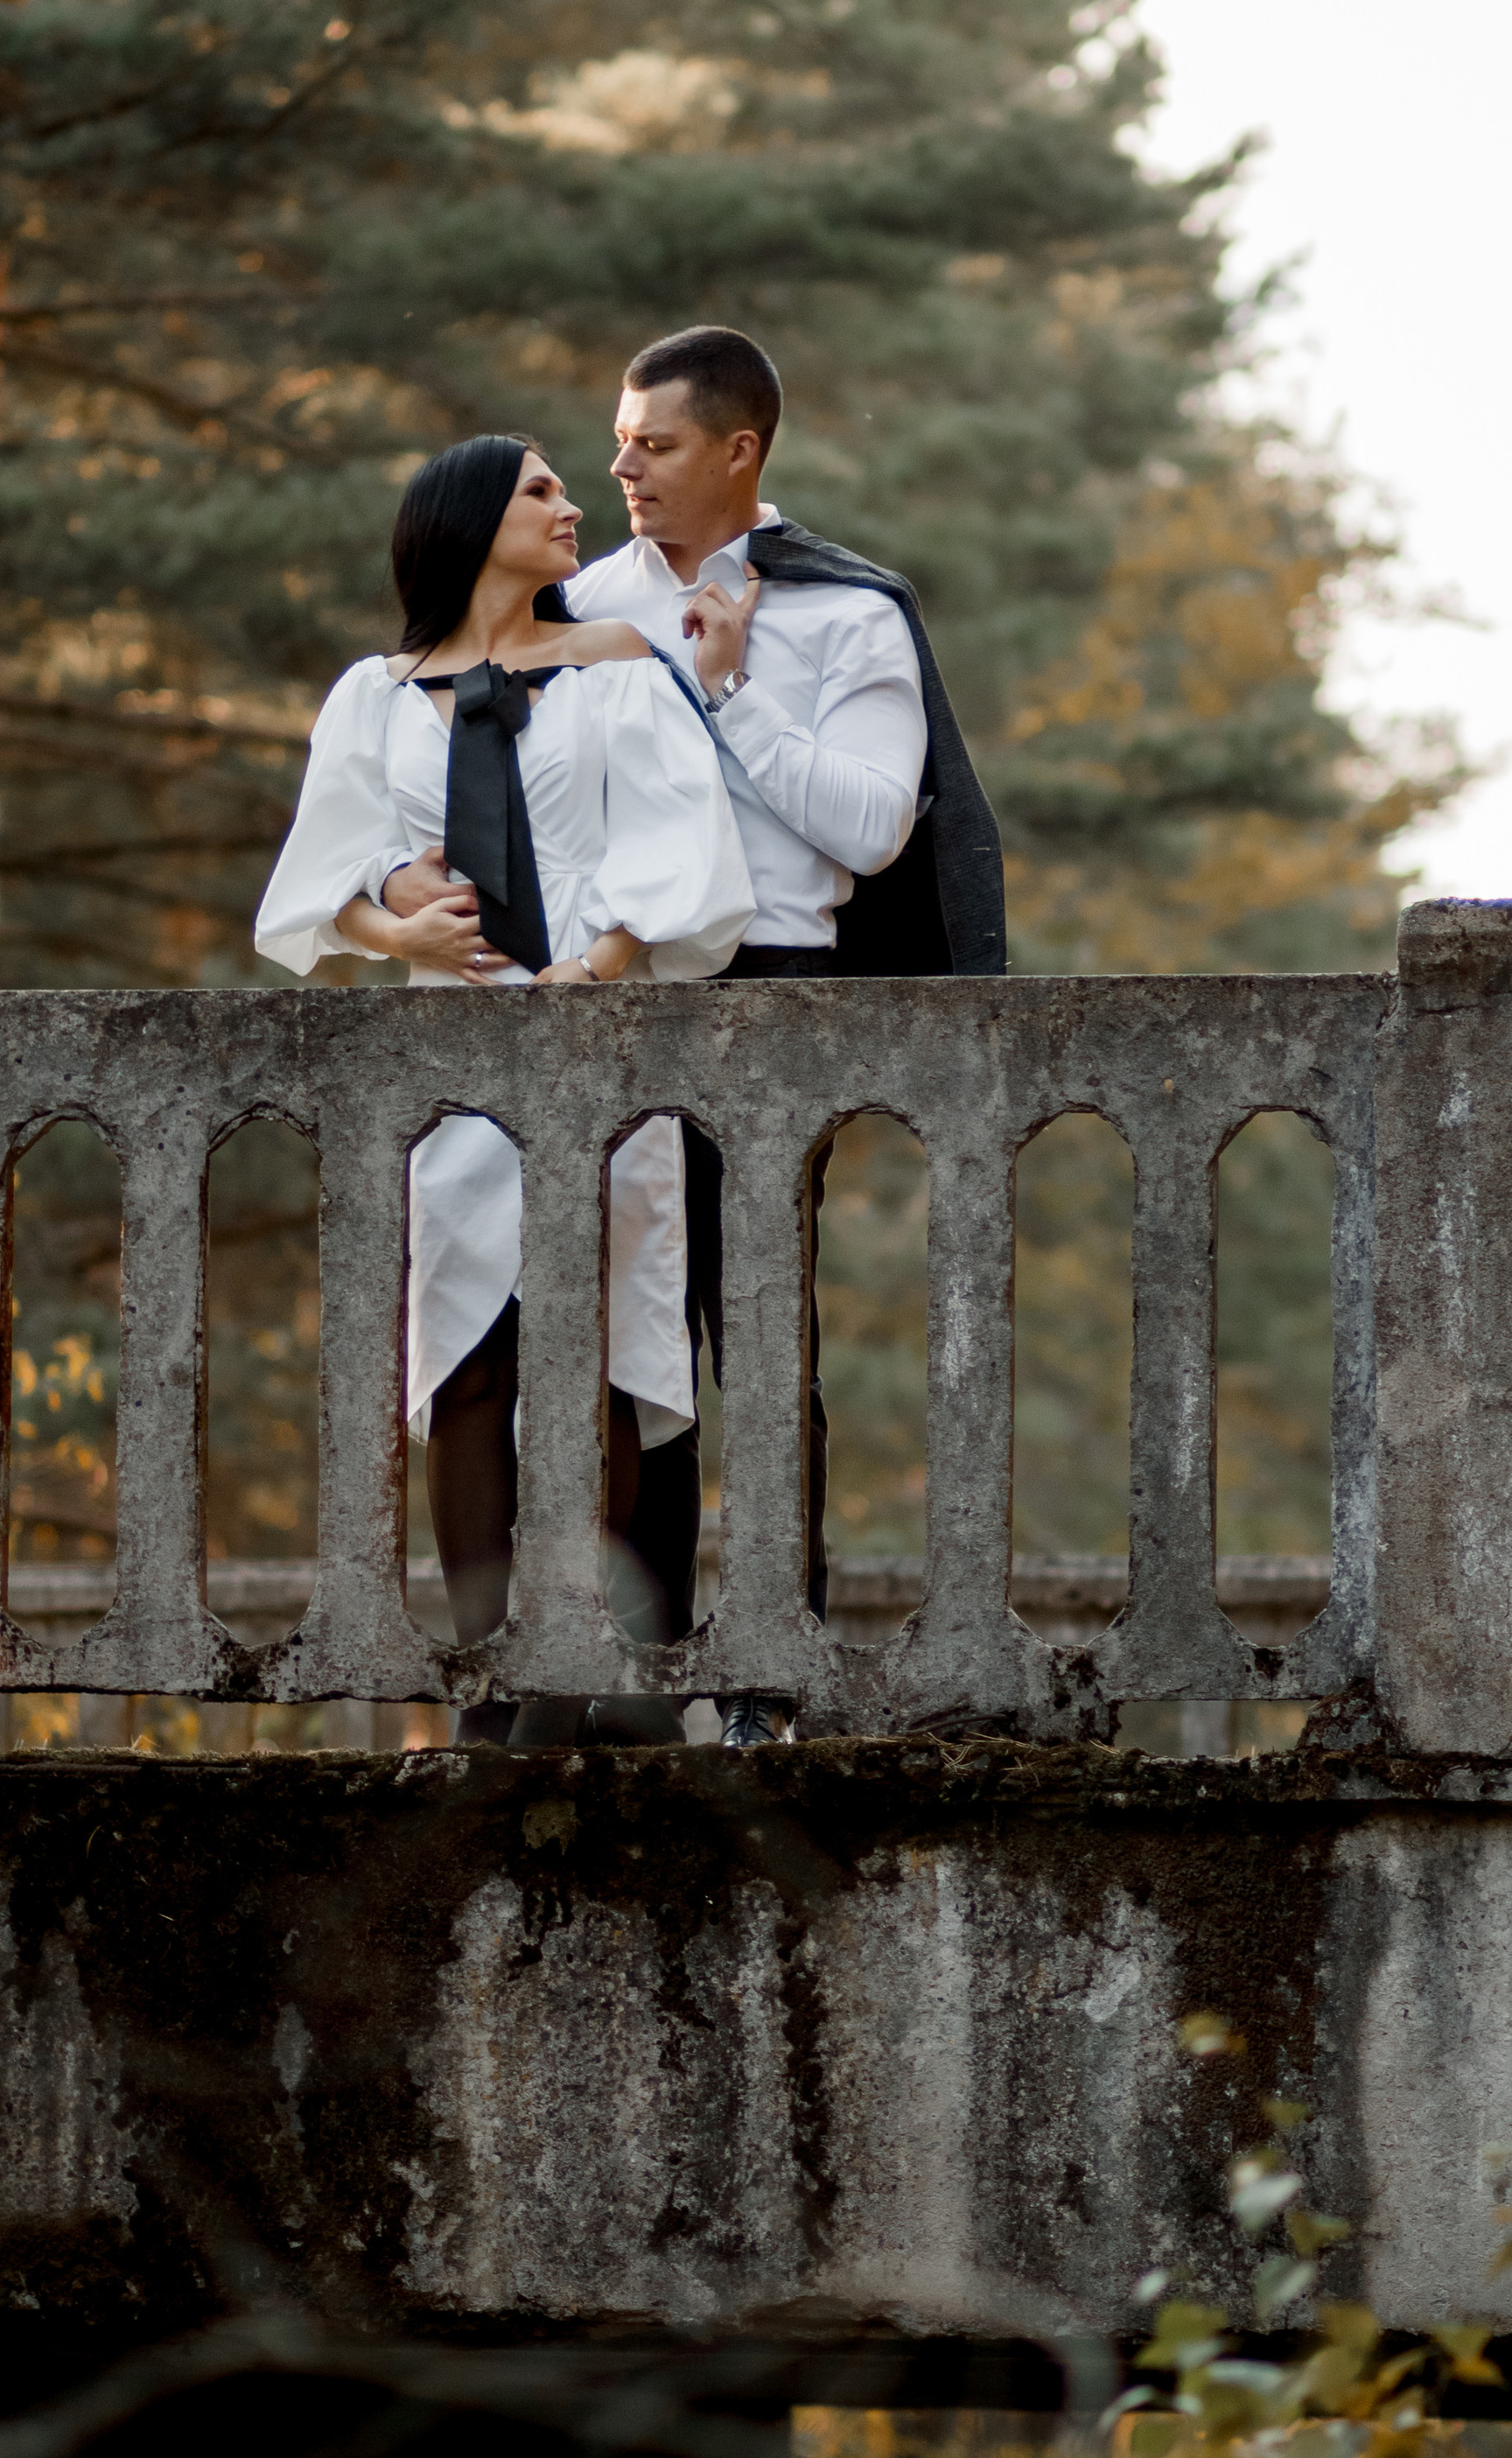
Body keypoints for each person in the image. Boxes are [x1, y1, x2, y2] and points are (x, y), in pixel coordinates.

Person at [383, 326, 1006, 1745]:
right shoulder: (585, 602)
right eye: (615, 444)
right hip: (620, 989)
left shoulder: (851, 617)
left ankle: (770, 1678)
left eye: (653, 446)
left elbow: (869, 828)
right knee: (625, 1332)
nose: (623, 470)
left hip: (779, 999)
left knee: (754, 1331)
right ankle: (642, 1677)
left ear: (738, 451)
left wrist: (726, 695)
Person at [253, 433, 755, 1745]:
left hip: (598, 1042)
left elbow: (679, 839)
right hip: (456, 1062)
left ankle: (578, 1675)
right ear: (469, 518)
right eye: (542, 488)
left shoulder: (618, 672)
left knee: (590, 1359)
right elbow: (322, 884)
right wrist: (397, 930)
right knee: (466, 1364)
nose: (573, 503)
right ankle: (490, 1696)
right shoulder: (375, 695)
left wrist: (600, 966)